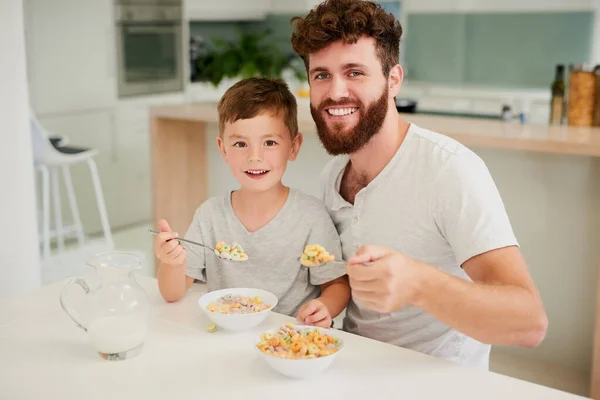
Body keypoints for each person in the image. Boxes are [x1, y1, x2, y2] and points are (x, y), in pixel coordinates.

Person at [290, 0, 547, 367]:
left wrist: (419, 284)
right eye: (322, 75)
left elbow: (530, 323)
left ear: (393, 80)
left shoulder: (450, 170)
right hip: (354, 369)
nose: (335, 92)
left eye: (355, 72)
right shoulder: (331, 178)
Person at [154, 77, 350, 328]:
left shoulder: (311, 216)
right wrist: (172, 262)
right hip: (227, 339)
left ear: (293, 146)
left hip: (288, 342)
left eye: (270, 143)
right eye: (240, 144)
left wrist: (325, 308)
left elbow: (336, 284)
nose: (254, 157)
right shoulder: (210, 215)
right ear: (223, 149)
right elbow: (172, 293)